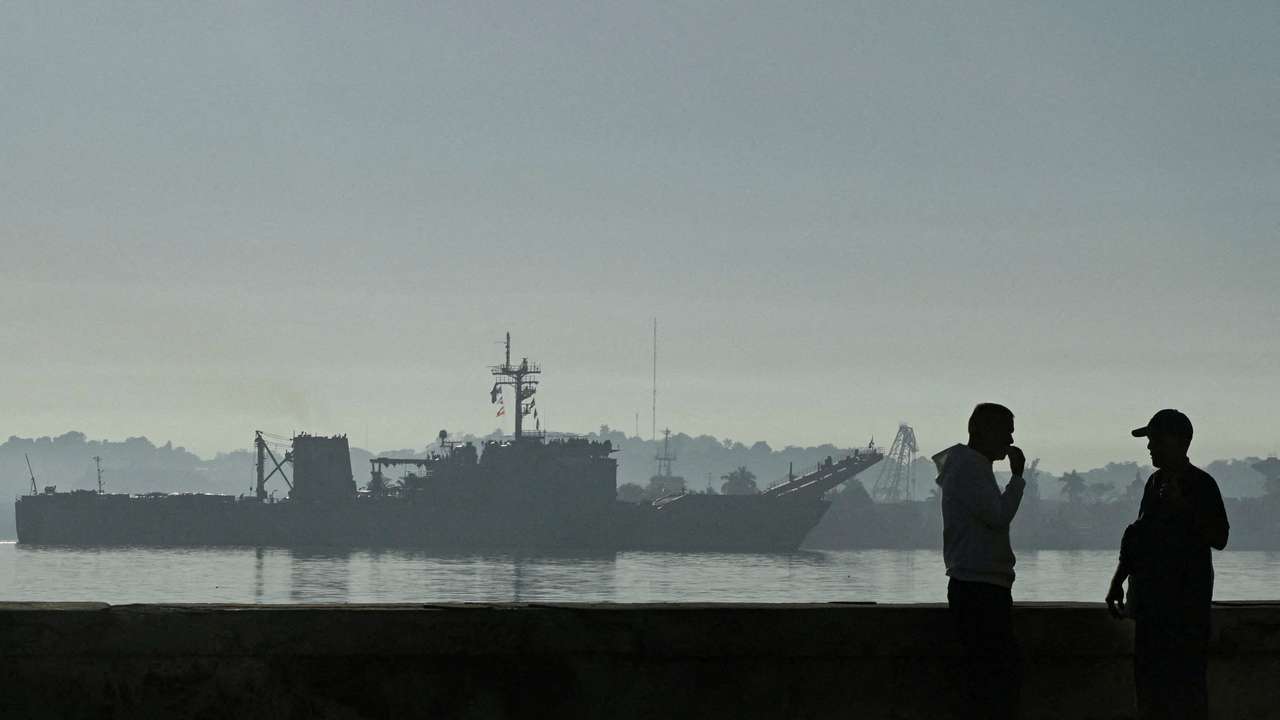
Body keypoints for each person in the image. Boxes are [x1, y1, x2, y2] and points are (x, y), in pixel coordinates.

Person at [1106, 409, 1228, 720]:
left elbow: (1219, 537)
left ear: (1181, 442)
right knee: (1150, 692)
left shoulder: (1202, 484)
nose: (1150, 447)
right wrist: (1118, 579)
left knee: (1186, 693)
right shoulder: (1153, 482)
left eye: (1156, 440)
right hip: (1151, 608)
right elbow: (1138, 535)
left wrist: (1182, 506)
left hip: (1186, 610)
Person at [934, 403, 1027, 720]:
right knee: (994, 682)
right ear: (985, 431)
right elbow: (997, 517)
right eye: (1006, 430)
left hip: (976, 585)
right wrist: (1017, 480)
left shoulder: (968, 466)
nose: (1011, 438)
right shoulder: (971, 468)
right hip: (981, 588)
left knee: (983, 679)